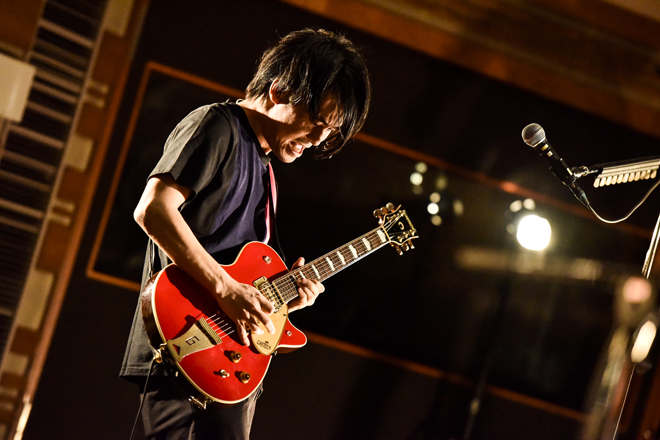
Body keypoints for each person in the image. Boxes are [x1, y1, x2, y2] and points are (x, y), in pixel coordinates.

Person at [120, 28, 371, 439]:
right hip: (186, 343)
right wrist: (226, 289)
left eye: (331, 131)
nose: (319, 140)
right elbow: (152, 209)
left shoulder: (266, 170)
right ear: (278, 91)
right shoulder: (217, 126)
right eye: (317, 123)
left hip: (228, 357)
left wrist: (282, 299)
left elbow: (238, 271)